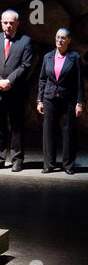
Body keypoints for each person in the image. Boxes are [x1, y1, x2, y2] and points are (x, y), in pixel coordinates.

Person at [0, 9, 32, 172]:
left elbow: (25, 65)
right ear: (1, 23)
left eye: (12, 22)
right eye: (5, 22)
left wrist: (9, 81)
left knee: (17, 126)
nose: (8, 25)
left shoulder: (25, 41)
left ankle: (17, 159)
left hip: (16, 91)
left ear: (18, 23)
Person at [37, 28, 86, 175]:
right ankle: (49, 164)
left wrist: (80, 102)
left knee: (68, 133)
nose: (59, 40)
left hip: (68, 100)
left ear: (69, 40)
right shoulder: (48, 57)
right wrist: (39, 99)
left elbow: (79, 82)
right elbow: (42, 79)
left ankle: (68, 165)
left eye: (63, 38)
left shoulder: (74, 57)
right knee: (48, 132)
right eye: (57, 37)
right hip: (49, 98)